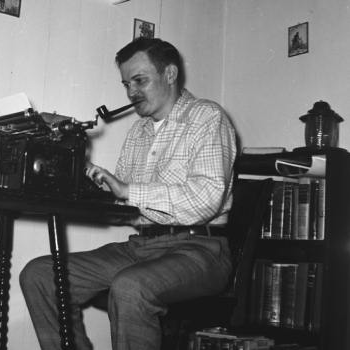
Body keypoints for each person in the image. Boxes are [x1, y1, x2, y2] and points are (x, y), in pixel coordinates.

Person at [20, 37, 237, 350]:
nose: (132, 92)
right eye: (126, 83)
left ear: (171, 74)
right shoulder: (139, 131)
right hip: (141, 246)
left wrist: (126, 190)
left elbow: (204, 200)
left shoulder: (207, 117)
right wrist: (84, 178)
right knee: (40, 275)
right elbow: (123, 200)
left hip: (200, 249)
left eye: (140, 80)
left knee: (130, 286)